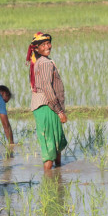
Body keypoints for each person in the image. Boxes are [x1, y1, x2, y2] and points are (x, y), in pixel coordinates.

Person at [28, 32, 67, 173]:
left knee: (56, 142)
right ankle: (49, 181)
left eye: (48, 43)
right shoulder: (44, 63)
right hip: (47, 106)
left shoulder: (41, 61)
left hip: (47, 106)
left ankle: (58, 175)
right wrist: (59, 111)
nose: (48, 46)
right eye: (43, 45)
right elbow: (47, 88)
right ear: (36, 48)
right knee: (50, 146)